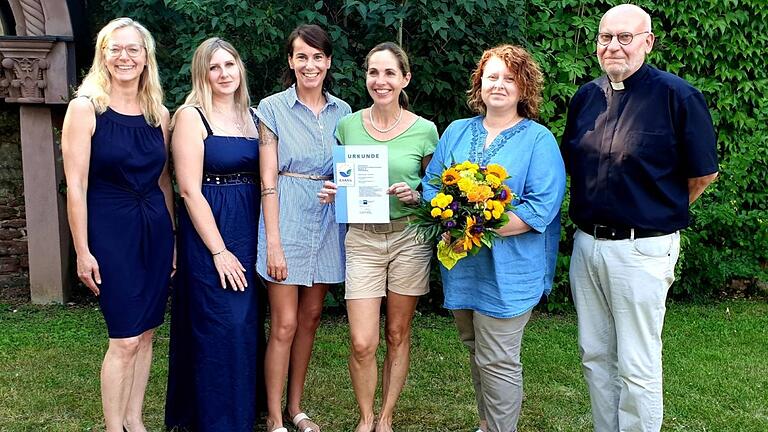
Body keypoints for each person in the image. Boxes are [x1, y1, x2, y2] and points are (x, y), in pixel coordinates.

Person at [560, 4, 718, 431]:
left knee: (636, 364)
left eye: (624, 38)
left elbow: (703, 173)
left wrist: (654, 209)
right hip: (587, 246)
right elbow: (573, 165)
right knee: (595, 356)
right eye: (605, 37)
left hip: (642, 249)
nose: (613, 46)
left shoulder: (678, 96)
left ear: (647, 41)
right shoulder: (585, 98)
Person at [422, 44, 565, 432]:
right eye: (492, 77)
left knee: (499, 358)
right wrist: (450, 211)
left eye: (509, 78)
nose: (499, 85)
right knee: (476, 351)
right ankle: (487, 424)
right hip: (463, 265)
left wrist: (479, 223)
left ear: (523, 88)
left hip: (511, 270)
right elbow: (432, 185)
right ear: (480, 84)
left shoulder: (538, 139)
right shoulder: (457, 131)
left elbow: (542, 206)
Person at [61, 17, 173, 432]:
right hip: (110, 233)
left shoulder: (158, 114)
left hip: (155, 231)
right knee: (124, 336)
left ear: (146, 58)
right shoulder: (86, 108)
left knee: (146, 333)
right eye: (116, 49)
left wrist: (174, 239)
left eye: (133, 49)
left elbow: (163, 181)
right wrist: (83, 249)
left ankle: (134, 420)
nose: (124, 57)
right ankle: (113, 427)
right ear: (102, 55)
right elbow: (75, 186)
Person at [320, 42, 438, 432]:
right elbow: (340, 178)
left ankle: (384, 418)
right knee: (362, 340)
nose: (380, 81)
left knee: (397, 332)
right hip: (363, 239)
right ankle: (364, 416)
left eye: (390, 73)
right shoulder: (348, 125)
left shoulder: (426, 131)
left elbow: (436, 194)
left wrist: (416, 195)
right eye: (374, 72)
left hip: (408, 237)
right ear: (366, 77)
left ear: (405, 79)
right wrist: (332, 190)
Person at [164, 38, 266, 432]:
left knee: (247, 321)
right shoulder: (191, 116)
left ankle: (243, 411)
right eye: (214, 67)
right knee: (222, 322)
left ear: (240, 68)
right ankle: (218, 421)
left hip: (249, 221)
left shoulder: (255, 116)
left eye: (230, 65)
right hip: (212, 226)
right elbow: (188, 190)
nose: (224, 74)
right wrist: (219, 251)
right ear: (202, 73)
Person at [256, 24, 351, 432]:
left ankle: (296, 408)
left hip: (328, 223)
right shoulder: (271, 108)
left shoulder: (345, 112)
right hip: (286, 216)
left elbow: (351, 172)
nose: (309, 65)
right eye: (301, 57)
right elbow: (267, 181)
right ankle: (275, 417)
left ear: (328, 62)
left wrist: (345, 189)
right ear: (291, 61)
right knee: (285, 323)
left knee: (311, 317)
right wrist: (273, 244)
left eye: (317, 57)